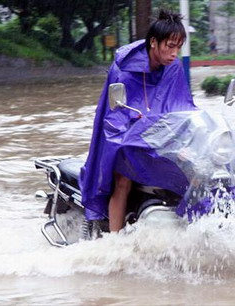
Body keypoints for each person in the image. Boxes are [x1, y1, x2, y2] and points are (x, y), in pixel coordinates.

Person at [78, 10, 196, 232]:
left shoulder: (174, 67)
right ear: (154, 42)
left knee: (195, 171)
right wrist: (136, 124)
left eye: (178, 47)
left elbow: (183, 106)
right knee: (123, 181)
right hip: (126, 136)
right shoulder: (124, 68)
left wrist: (190, 137)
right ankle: (115, 240)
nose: (174, 53)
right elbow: (115, 116)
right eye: (170, 46)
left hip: (159, 136)